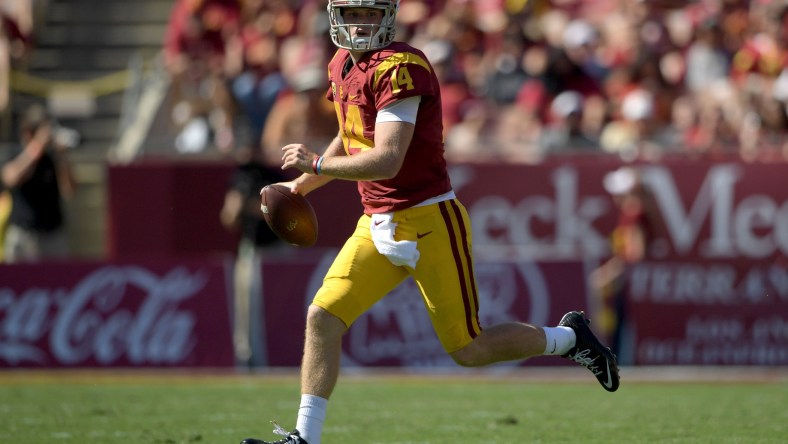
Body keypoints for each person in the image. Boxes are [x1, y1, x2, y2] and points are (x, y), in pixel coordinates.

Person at [241, 1, 620, 443]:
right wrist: (303, 186)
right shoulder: (342, 63)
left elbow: (387, 159)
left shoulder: (402, 66)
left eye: (369, 14)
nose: (361, 24)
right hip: (375, 221)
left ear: (388, 16)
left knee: (468, 348)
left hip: (429, 220)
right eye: (352, 14)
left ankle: (569, 339)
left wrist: (320, 165)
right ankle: (305, 438)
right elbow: (352, 129)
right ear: (335, 16)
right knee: (322, 317)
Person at [220, 143, 287, 367]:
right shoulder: (240, 177)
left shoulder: (272, 175)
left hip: (276, 248)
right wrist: (238, 207)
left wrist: (252, 207)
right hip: (252, 248)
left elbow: (281, 210)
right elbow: (229, 218)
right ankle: (247, 356)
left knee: (279, 305)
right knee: (246, 304)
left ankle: (279, 351)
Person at [0, 103, 75, 262]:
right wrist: (36, 149)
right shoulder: (15, 153)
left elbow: (69, 190)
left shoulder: (52, 158)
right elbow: (11, 178)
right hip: (23, 235)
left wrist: (63, 157)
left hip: (52, 236)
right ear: (28, 132)